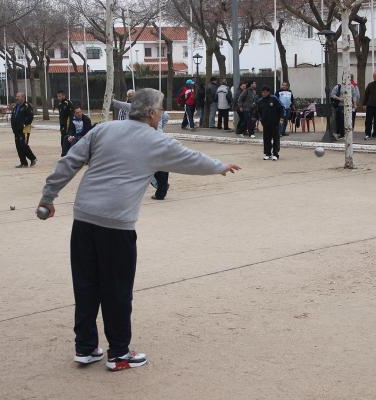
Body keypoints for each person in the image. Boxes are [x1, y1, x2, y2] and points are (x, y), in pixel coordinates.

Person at [37, 88, 240, 371]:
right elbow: (190, 159)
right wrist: (219, 166)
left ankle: (85, 348)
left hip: (83, 220)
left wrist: (48, 196)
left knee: (86, 287)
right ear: (151, 113)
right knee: (117, 290)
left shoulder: (104, 129)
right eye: (160, 110)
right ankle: (119, 354)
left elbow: (70, 160)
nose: (162, 114)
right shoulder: (155, 140)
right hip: (116, 226)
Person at [11, 92, 37, 168]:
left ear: (23, 97)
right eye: (16, 96)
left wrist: (24, 123)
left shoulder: (27, 106)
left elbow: (30, 116)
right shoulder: (16, 106)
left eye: (18, 96)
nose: (16, 98)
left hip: (24, 129)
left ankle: (33, 158)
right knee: (18, 146)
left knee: (23, 145)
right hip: (16, 129)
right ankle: (23, 163)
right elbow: (14, 117)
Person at [257, 86, 283, 161]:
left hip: (274, 122)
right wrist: (260, 119)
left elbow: (281, 108)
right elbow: (258, 111)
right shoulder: (260, 101)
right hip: (265, 123)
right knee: (266, 139)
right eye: (262, 92)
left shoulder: (274, 99)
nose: (264, 93)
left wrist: (281, 118)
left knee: (275, 138)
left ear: (268, 92)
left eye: (265, 92)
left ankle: (275, 154)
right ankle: (267, 153)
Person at [152, 110, 170, 200]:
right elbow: (166, 116)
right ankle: (161, 192)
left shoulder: (143, 108)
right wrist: (160, 128)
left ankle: (159, 188)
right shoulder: (159, 109)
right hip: (161, 138)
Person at [56, 90, 74, 157]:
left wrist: (70, 126)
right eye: (57, 96)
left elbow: (71, 116)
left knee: (66, 140)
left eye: (60, 96)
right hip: (62, 125)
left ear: (64, 95)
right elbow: (61, 116)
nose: (58, 98)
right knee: (63, 140)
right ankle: (65, 154)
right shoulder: (60, 104)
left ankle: (66, 155)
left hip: (67, 125)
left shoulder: (68, 103)